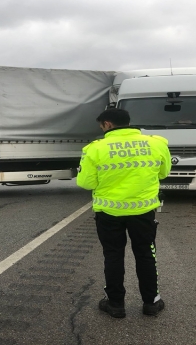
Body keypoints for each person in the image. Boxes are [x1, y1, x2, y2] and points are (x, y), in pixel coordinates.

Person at [77, 108, 171, 318]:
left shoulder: (95, 149)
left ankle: (116, 304)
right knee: (146, 254)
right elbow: (163, 173)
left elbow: (85, 183)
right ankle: (151, 303)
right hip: (143, 210)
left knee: (113, 256)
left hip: (109, 213)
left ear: (108, 124)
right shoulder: (156, 143)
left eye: (101, 126)